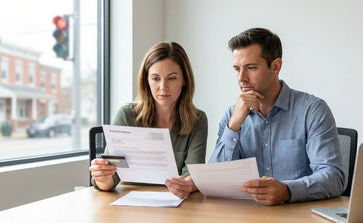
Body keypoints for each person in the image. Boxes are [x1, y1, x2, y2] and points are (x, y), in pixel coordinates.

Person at [209, 28, 344, 205]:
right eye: (237, 69)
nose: (241, 78)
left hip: (298, 215)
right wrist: (233, 125)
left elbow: (333, 177)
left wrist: (287, 191)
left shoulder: (312, 110)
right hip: (246, 216)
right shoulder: (232, 115)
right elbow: (213, 180)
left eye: (251, 68)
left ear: (275, 66)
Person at [89, 41, 208, 198]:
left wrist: (188, 184)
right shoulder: (126, 115)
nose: (163, 87)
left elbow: (192, 174)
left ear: (184, 80)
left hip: (176, 205)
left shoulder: (197, 119)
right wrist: (103, 177)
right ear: (146, 80)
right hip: (128, 203)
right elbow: (111, 179)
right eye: (155, 78)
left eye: (171, 78)